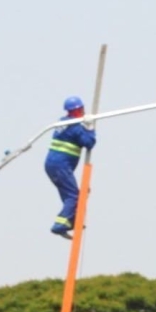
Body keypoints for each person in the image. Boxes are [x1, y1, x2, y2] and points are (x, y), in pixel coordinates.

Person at [45, 95, 96, 239]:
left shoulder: (63, 122)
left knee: (70, 196)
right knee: (74, 195)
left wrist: (83, 125)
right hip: (60, 166)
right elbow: (89, 143)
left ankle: (71, 221)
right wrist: (90, 127)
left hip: (53, 165)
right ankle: (59, 225)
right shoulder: (75, 127)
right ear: (78, 110)